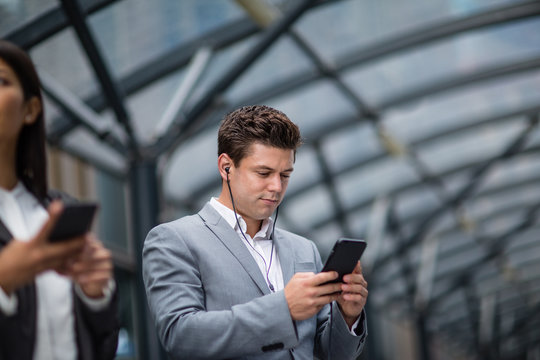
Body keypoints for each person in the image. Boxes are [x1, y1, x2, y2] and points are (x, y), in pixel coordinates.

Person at [143, 105, 368, 359]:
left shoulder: (304, 249)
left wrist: (348, 316)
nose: (276, 187)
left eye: (285, 175)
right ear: (226, 167)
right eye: (264, 173)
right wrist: (283, 309)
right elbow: (181, 336)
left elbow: (329, 353)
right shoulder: (174, 241)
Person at [0, 40, 118, 359]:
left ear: (30, 109)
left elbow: (103, 343)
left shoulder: (57, 209)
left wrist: (96, 294)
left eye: (1, 81)